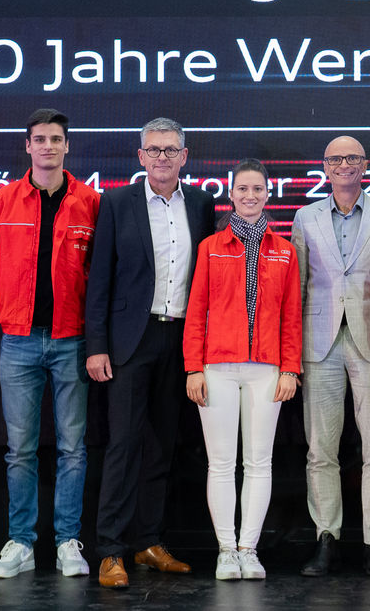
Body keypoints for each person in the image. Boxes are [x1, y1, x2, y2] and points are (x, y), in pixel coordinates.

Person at [85, 117, 216, 588]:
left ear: (185, 156)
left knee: (162, 444)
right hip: (129, 341)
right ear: (140, 156)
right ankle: (111, 550)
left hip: (180, 340)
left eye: (171, 149)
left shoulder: (201, 203)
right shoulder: (116, 202)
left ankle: (147, 541)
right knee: (123, 445)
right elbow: (99, 278)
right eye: (154, 150)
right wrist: (96, 346)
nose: (162, 157)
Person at [0, 108, 99, 579]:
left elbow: (97, 275)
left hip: (72, 339)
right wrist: (13, 313)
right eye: (40, 139)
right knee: (20, 450)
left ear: (67, 146)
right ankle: (21, 543)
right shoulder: (2, 203)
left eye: (56, 139)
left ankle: (68, 541)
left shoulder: (90, 202)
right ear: (27, 146)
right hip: (19, 341)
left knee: (73, 448)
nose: (48, 146)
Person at [290, 136, 370, 576]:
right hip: (318, 343)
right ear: (325, 166)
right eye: (335, 159)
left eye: (352, 158)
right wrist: (291, 352)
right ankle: (327, 538)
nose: (344, 165)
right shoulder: (305, 217)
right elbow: (298, 286)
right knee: (321, 449)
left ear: (365, 165)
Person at [184, 159, 302, 580]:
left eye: (257, 189)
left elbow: (292, 315)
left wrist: (290, 368)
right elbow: (196, 310)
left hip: (267, 370)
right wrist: (193, 367)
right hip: (216, 367)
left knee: (258, 463)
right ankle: (225, 550)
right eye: (242, 189)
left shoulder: (285, 250)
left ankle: (248, 549)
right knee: (220, 463)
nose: (250, 196)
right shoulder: (210, 247)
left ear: (268, 194)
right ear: (231, 194)